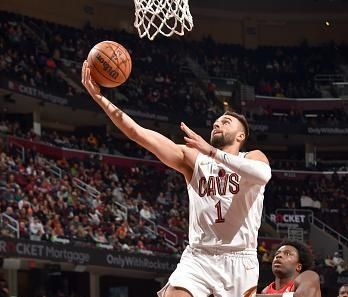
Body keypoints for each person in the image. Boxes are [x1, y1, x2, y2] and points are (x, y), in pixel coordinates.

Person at [81, 61, 272, 297]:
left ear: (241, 135)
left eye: (226, 122)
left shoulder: (252, 156)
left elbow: (263, 175)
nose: (217, 123)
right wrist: (100, 98)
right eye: (216, 121)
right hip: (199, 256)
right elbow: (137, 133)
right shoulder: (193, 159)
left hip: (239, 259)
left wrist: (212, 152)